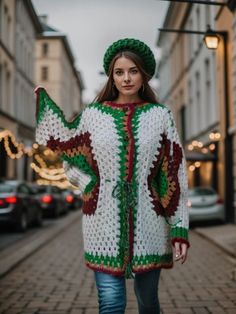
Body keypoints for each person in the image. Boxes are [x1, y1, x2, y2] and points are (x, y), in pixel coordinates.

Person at [35, 38, 190, 314]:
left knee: (148, 302)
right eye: (119, 72)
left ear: (143, 75)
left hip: (150, 224)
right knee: (110, 303)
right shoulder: (93, 115)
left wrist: (179, 228)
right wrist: (91, 184)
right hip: (101, 224)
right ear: (112, 77)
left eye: (133, 71)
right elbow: (71, 159)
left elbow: (173, 174)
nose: (126, 78)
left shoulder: (160, 116)